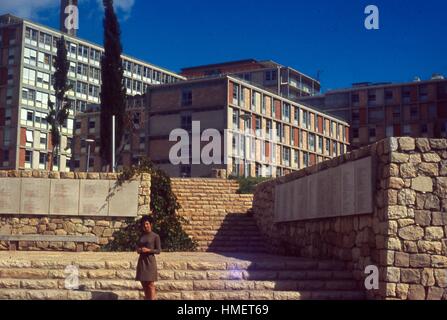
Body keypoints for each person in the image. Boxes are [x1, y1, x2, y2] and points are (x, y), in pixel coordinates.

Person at [135, 215, 161, 300]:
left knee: (150, 284)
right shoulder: (141, 235)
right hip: (142, 261)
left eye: (147, 224)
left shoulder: (155, 236)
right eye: (143, 224)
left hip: (150, 262)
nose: (145, 226)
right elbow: (137, 246)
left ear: (151, 224)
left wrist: (148, 250)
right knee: (144, 284)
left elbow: (158, 250)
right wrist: (139, 250)